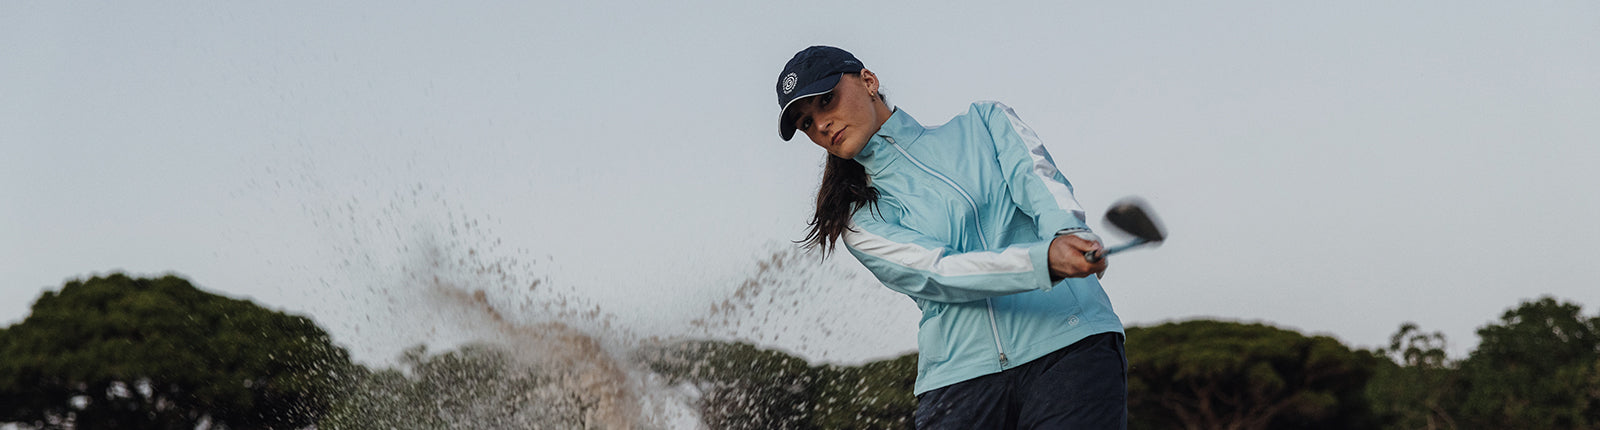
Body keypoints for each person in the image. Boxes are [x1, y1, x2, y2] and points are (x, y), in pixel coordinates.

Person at [774, 46, 1128, 429]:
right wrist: (1042, 261)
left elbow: (1042, 186)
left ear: (869, 81)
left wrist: (1067, 236)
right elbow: (938, 271)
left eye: (827, 101)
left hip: (1071, 344)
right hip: (958, 384)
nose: (821, 125)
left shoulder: (986, 123)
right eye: (807, 123)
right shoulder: (857, 218)